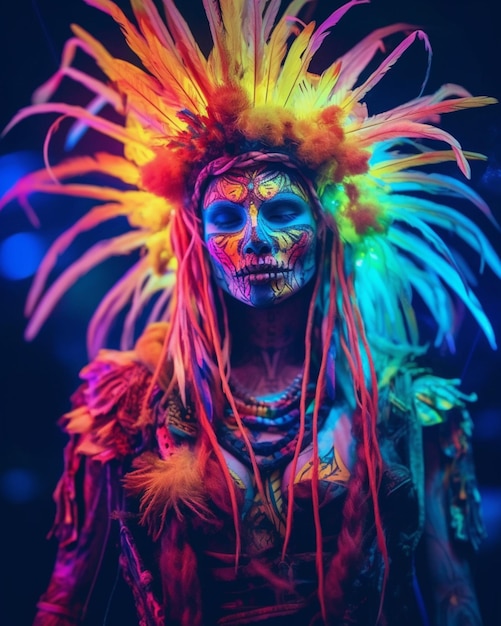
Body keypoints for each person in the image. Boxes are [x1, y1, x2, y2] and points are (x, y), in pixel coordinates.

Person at [1, 0, 499, 624]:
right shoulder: (131, 403)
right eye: (228, 217)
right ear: (197, 242)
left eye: (283, 212)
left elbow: (454, 596)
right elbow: (66, 601)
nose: (255, 240)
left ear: (328, 228)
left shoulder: (405, 401)